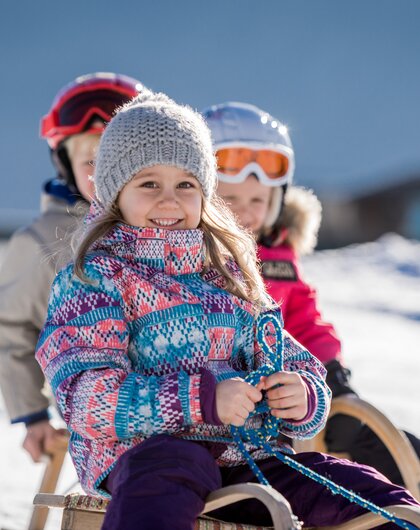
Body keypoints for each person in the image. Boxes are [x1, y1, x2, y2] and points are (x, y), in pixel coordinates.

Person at [35, 89, 419, 530]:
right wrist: (203, 399)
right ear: (113, 193)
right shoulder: (96, 279)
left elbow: (294, 359)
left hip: (245, 462)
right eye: (148, 184)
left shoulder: (227, 278)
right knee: (173, 463)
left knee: (359, 488)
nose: (169, 200)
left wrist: (302, 393)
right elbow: (88, 399)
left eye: (186, 184)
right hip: (142, 459)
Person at [202, 100, 420, 485]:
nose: (245, 213)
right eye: (231, 200)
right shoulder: (199, 258)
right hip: (241, 408)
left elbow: (303, 316)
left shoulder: (278, 256)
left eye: (259, 201)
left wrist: (330, 372)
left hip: (304, 392)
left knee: (391, 449)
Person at [0, 72, 143, 463]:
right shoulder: (44, 241)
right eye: (91, 162)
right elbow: (10, 328)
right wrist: (32, 414)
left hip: (186, 394)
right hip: (100, 409)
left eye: (120, 161)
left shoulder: (165, 225)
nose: (107, 174)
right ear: (64, 164)